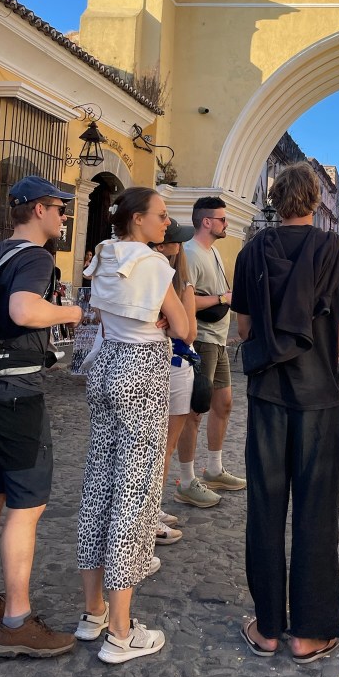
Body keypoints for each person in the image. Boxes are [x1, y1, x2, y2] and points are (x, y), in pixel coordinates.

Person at [232, 162, 339, 664]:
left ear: (275, 199)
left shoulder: (250, 252)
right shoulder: (335, 252)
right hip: (319, 395)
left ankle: (266, 628)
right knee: (316, 510)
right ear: (315, 201)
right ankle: (309, 632)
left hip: (267, 394)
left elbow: (243, 329)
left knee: (264, 508)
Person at [0, 176, 82, 658]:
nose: (65, 216)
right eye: (59, 207)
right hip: (16, 394)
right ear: (37, 210)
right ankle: (17, 621)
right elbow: (25, 310)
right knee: (26, 507)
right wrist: (70, 313)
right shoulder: (35, 258)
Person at [76, 187, 189, 665]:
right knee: (134, 495)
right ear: (138, 219)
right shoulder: (153, 264)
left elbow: (102, 314)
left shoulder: (103, 255)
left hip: (105, 367)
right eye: (160, 215)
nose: (166, 223)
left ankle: (93, 613)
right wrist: (169, 309)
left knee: (98, 486)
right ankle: (121, 634)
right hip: (140, 371)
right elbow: (183, 328)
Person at [174, 196, 245, 508]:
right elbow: (184, 300)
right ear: (206, 222)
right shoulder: (189, 253)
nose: (226, 223)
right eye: (222, 219)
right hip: (201, 340)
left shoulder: (212, 251)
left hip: (217, 340)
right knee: (195, 410)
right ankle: (187, 480)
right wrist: (221, 298)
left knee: (224, 403)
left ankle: (214, 469)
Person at [152, 218, 198, 543]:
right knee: (164, 447)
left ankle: (151, 509)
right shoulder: (180, 283)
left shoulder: (145, 276)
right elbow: (189, 332)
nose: (181, 245)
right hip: (177, 363)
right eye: (177, 240)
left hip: (150, 362)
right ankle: (151, 513)